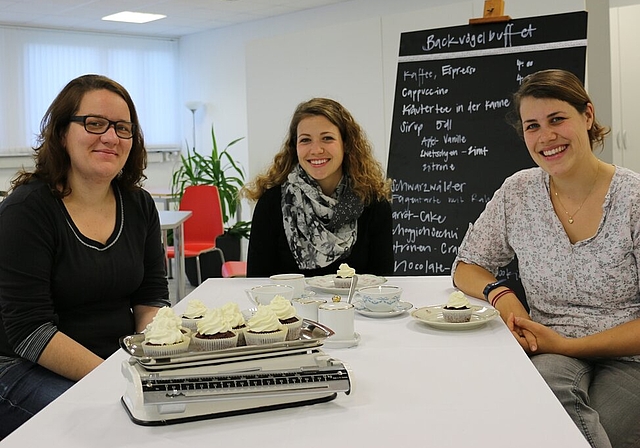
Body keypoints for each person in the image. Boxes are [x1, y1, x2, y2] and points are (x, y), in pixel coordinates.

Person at [451, 69, 640, 448]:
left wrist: (567, 345)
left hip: (628, 356)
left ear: (587, 116)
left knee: (609, 433)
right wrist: (502, 296)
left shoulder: (633, 199)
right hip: (549, 348)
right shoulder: (518, 192)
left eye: (557, 119)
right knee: (547, 412)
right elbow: (467, 266)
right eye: (532, 126)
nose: (546, 137)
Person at [0, 74, 170, 438]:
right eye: (94, 123)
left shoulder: (139, 205)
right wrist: (117, 378)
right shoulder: (26, 211)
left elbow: (151, 296)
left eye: (123, 128)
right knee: (111, 426)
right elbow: (30, 332)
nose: (110, 137)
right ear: (62, 133)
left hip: (115, 358)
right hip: (21, 366)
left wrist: (149, 359)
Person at [243, 97, 393, 277]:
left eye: (327, 138)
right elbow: (257, 282)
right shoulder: (272, 204)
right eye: (305, 140)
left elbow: (383, 283)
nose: (316, 150)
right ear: (295, 147)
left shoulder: (372, 204)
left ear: (346, 143)